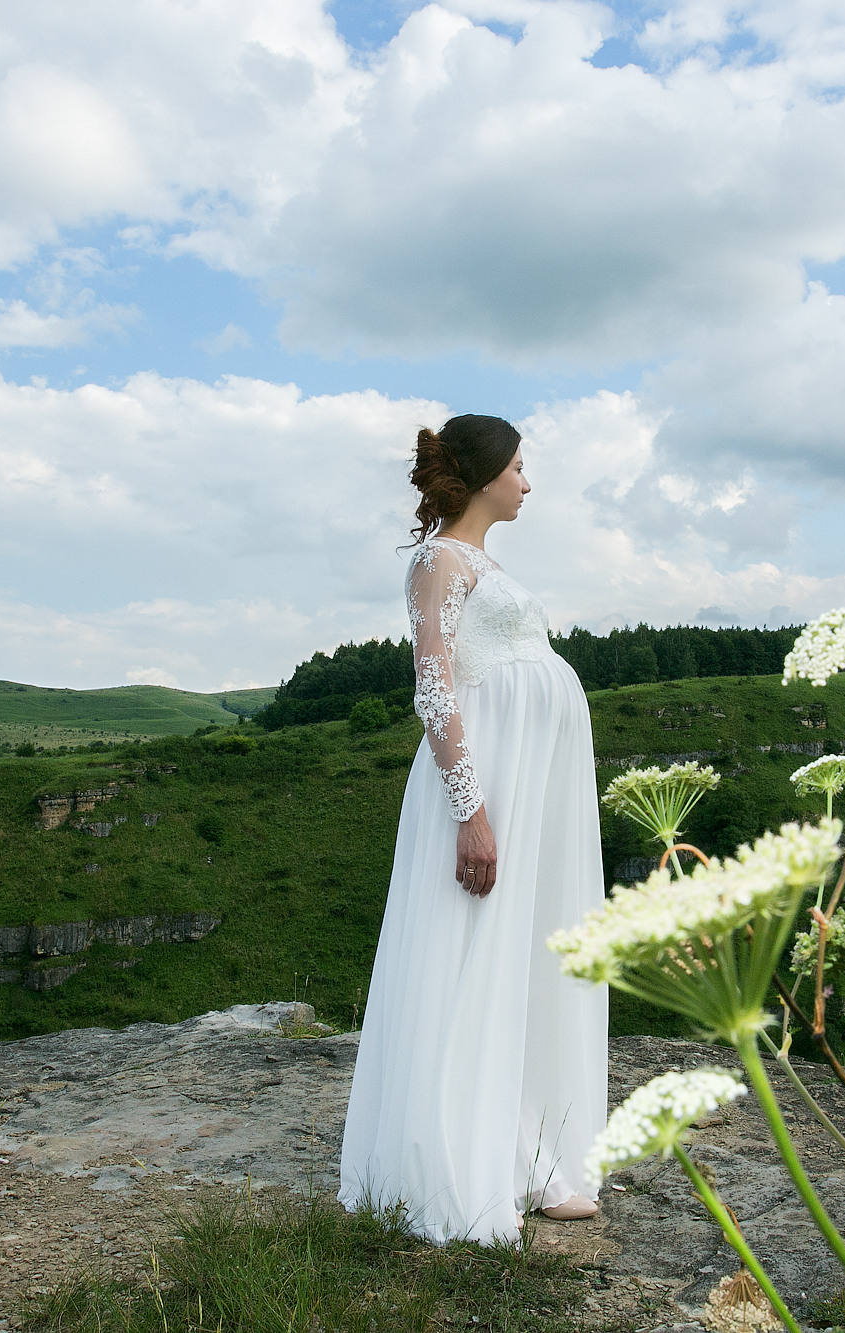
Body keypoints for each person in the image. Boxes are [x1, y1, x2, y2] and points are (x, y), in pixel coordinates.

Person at [337, 414, 608, 1243]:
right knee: (472, 955)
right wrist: (471, 812)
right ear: (487, 473)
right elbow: (435, 686)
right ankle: (462, 1164)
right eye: (521, 466)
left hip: (533, 785)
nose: (529, 481)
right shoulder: (439, 560)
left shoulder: (483, 562)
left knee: (523, 956)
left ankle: (528, 1151)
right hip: (487, 785)